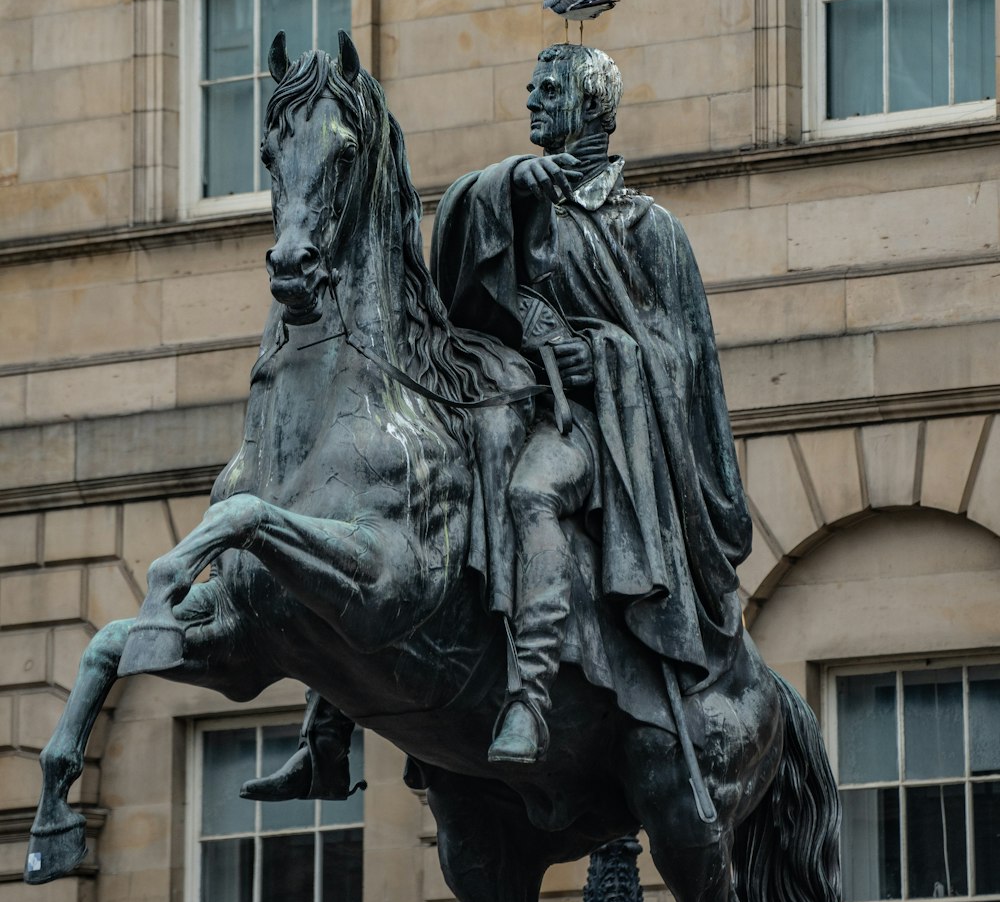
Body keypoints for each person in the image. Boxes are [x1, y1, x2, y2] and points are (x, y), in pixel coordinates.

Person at [245, 43, 752, 790]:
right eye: (532, 86)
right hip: (499, 397)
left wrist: (604, 357)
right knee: (390, 500)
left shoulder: (648, 229)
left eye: (549, 88)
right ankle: (328, 730)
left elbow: (681, 361)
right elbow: (455, 255)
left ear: (592, 108)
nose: (532, 98)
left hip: (589, 426)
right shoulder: (510, 197)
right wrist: (513, 180)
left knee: (531, 494)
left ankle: (531, 692)